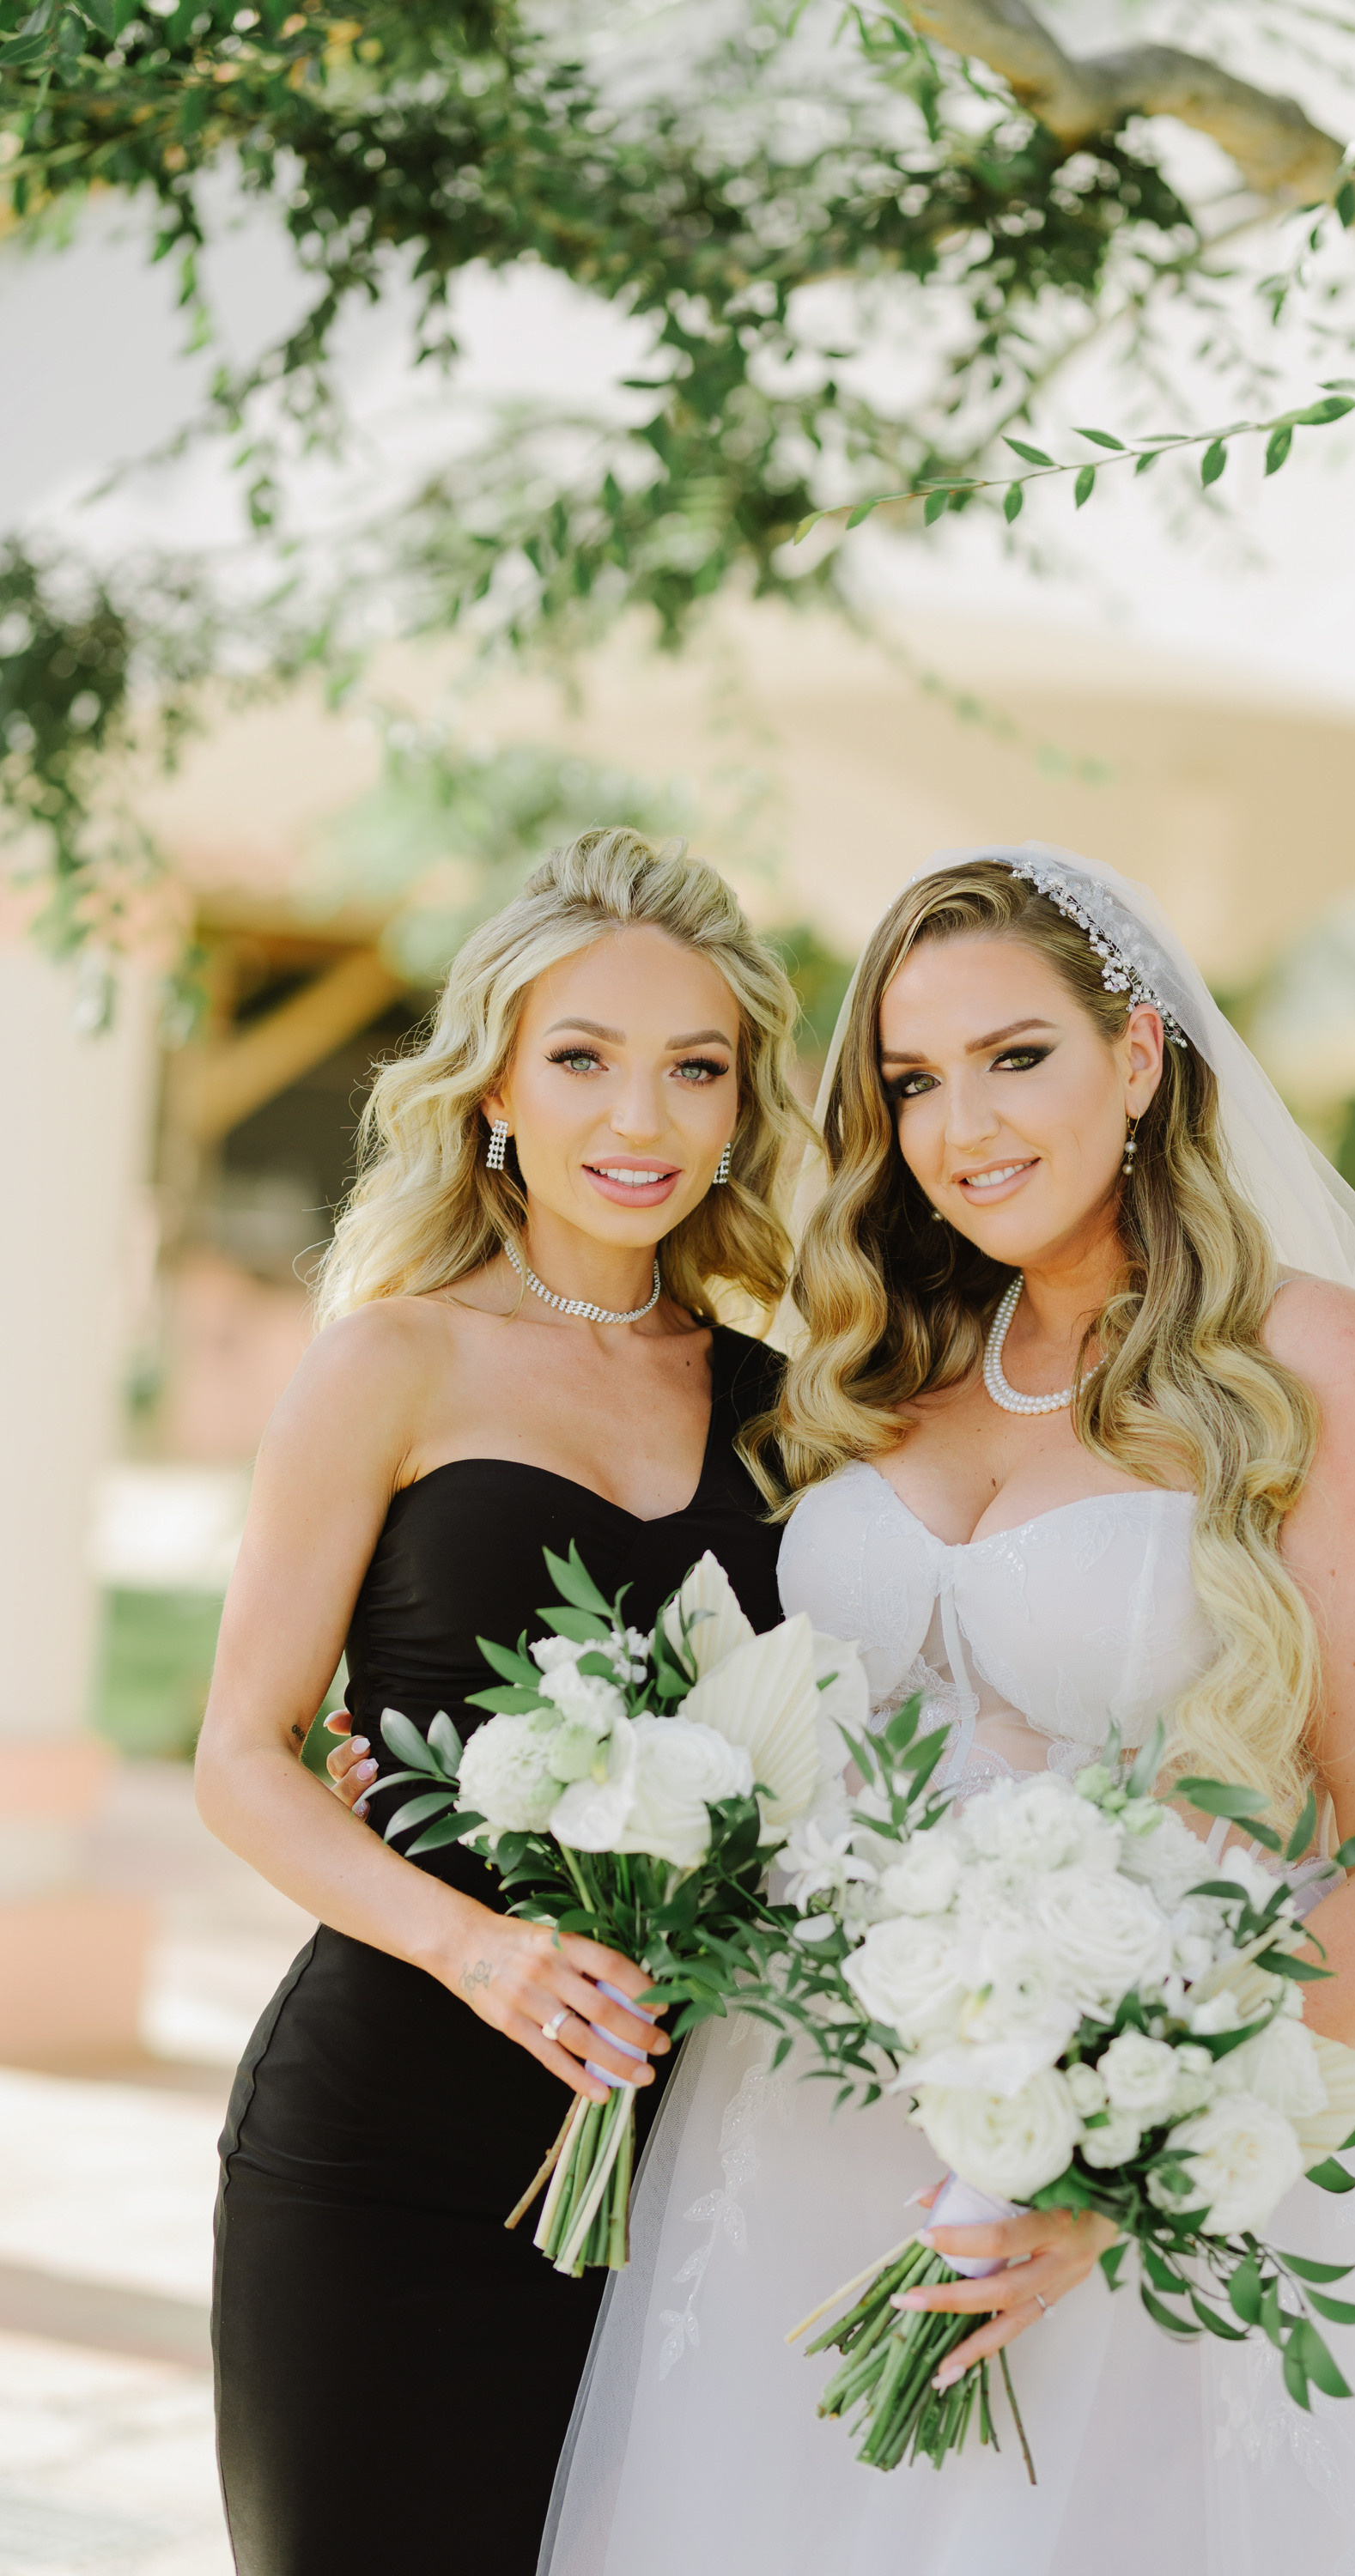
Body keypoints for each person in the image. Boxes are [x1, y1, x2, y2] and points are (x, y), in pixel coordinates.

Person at [541, 847, 1355, 2576]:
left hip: (1137, 2156)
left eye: (1013, 1057)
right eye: (911, 1081)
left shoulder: (1306, 1358)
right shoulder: (882, 1356)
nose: (961, 1126)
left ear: (1137, 1056)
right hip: (808, 2130)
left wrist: (1119, 2175)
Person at [195, 829, 809, 2576]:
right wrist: (482, 1950)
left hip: (677, 2177)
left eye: (697, 1069)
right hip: (379, 2144)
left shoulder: (789, 1408)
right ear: (492, 1090)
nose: (644, 1119)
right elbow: (244, 1758)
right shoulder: (388, 1361)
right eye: (585, 1058)